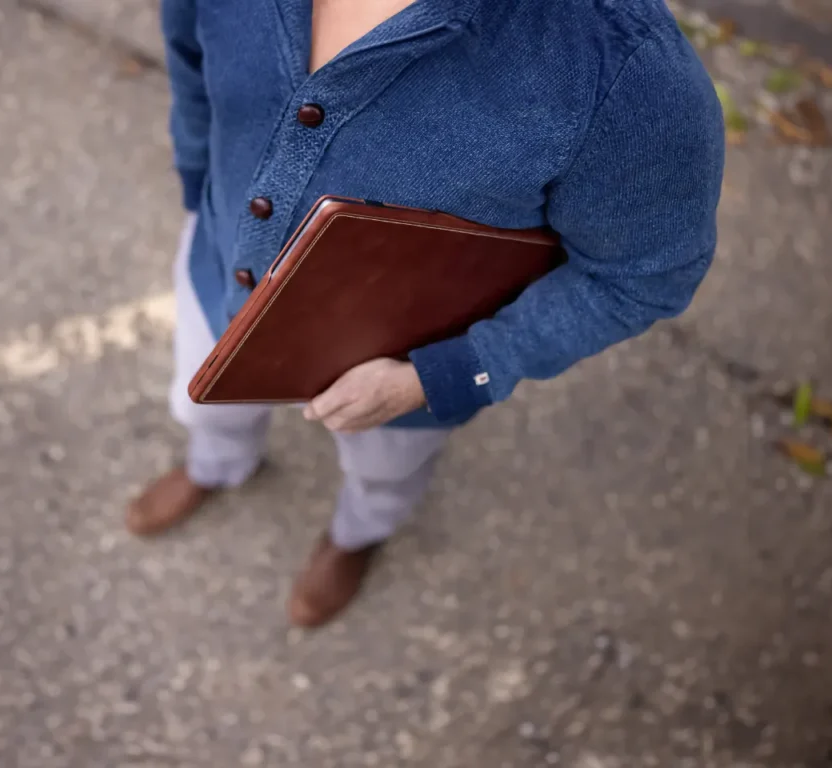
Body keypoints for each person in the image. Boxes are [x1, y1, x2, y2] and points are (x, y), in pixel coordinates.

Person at [126, 0, 726, 628]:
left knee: (385, 471)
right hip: (219, 264)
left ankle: (357, 535)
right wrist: (198, 186)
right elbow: (191, 61)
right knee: (205, 399)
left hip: (405, 360)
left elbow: (641, 276)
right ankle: (216, 467)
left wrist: (444, 374)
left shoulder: (627, 72)